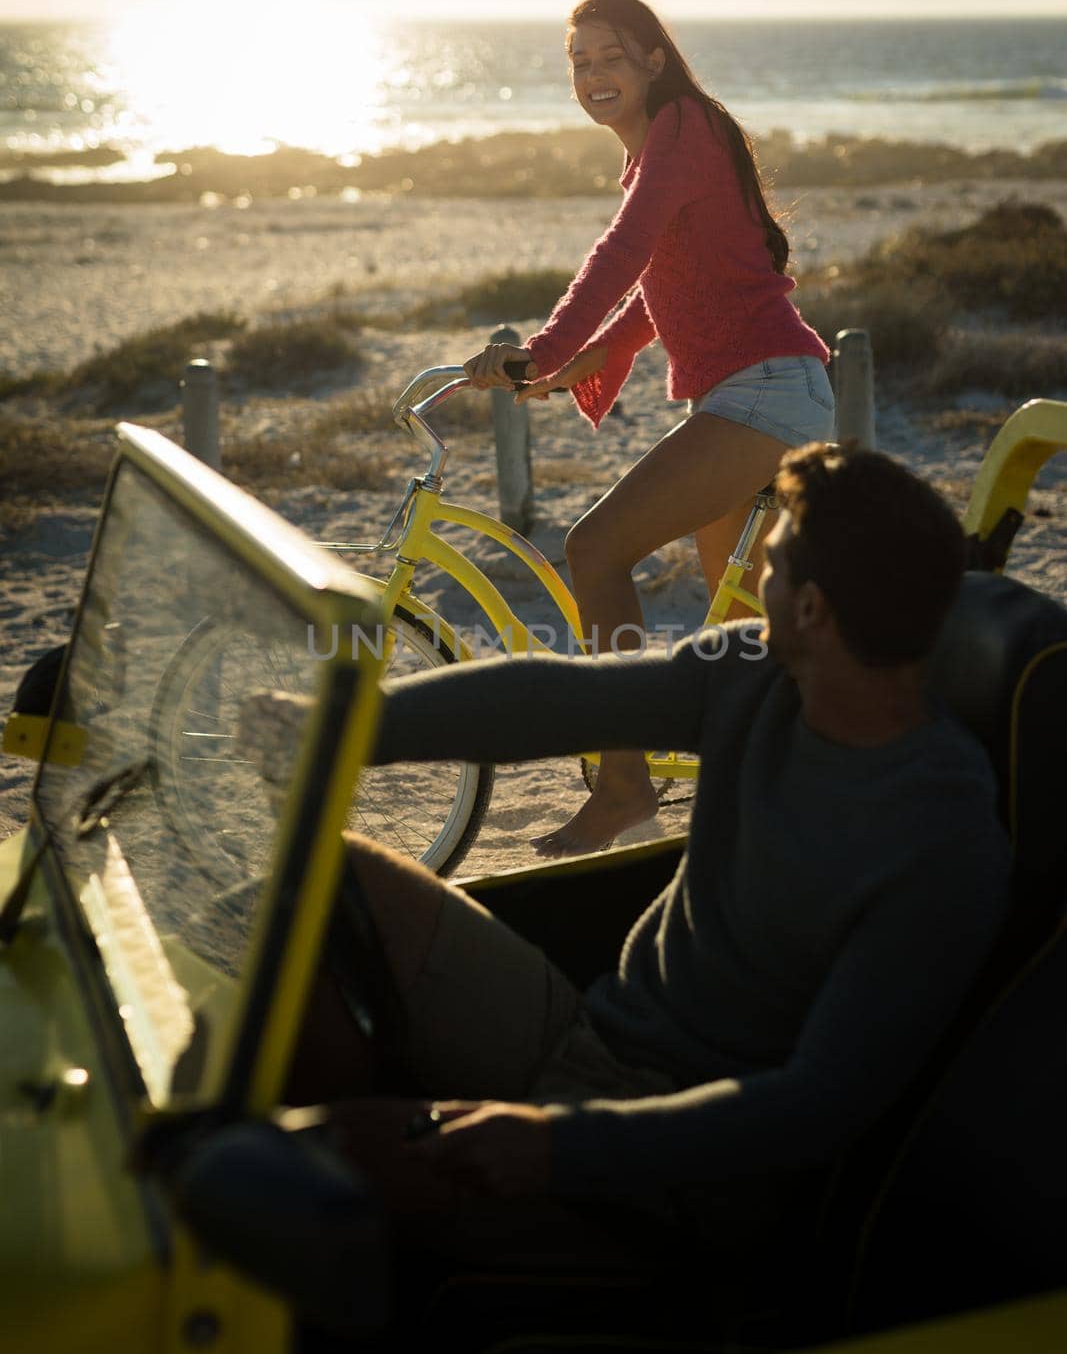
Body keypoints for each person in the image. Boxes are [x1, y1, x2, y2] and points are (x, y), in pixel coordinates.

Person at [284, 444, 1010, 1275]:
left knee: (317, 1169)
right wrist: (346, 728)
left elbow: (814, 1107)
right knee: (322, 876)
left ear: (809, 609)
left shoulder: (941, 846)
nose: (749, 584)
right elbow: (550, 700)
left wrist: (559, 1144)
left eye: (768, 563)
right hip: (590, 1035)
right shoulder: (754, 671)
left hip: (695, 1175)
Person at [461, 0, 834, 858]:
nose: (592, 74)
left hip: (764, 394)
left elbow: (624, 249)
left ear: (653, 61)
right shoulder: (667, 144)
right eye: (578, 60)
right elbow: (667, 275)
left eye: (610, 57)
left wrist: (545, 344)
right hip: (764, 393)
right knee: (756, 624)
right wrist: (588, 357)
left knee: (595, 549)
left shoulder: (681, 131)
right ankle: (798, 793)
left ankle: (624, 787)